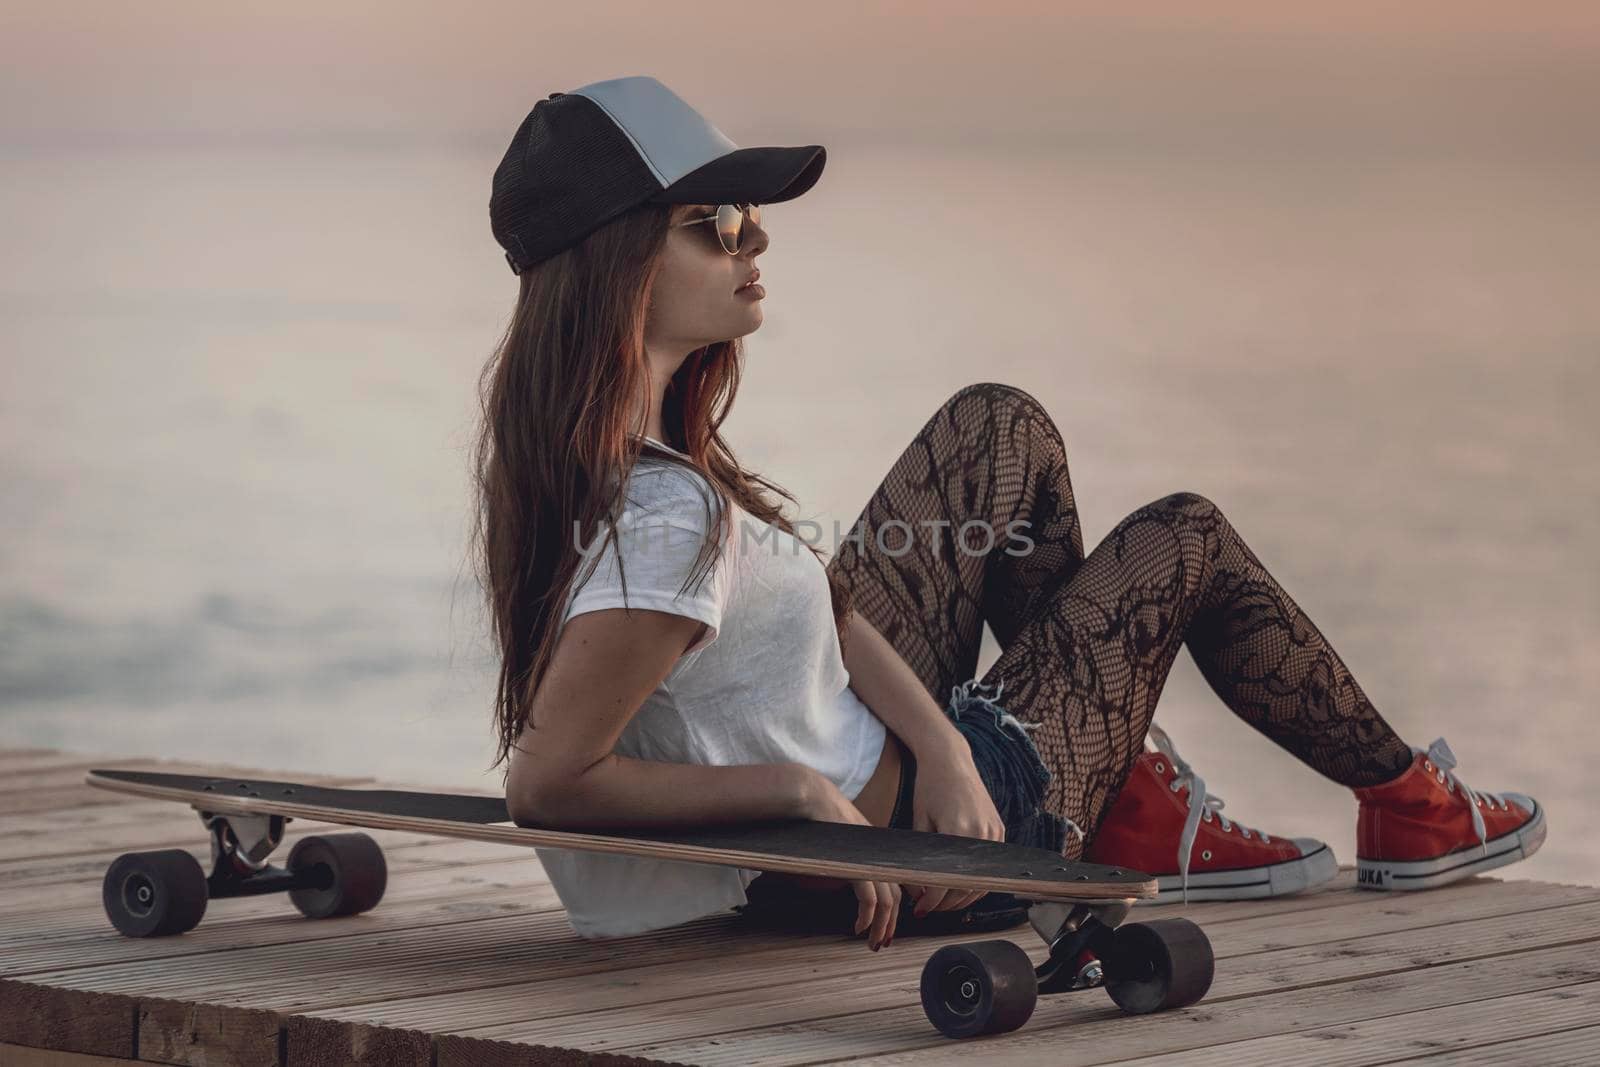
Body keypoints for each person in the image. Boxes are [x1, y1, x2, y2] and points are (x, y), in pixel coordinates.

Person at [473, 76, 1547, 950]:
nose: (754, 244)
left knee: (997, 427)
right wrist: (797, 793)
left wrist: (938, 741)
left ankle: (1126, 793)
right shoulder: (664, 517)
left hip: (920, 773)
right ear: (617, 266)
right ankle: (1408, 803)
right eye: (716, 223)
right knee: (1185, 535)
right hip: (914, 850)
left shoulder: (624, 465)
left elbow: (836, 613)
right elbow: (553, 779)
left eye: (748, 218)